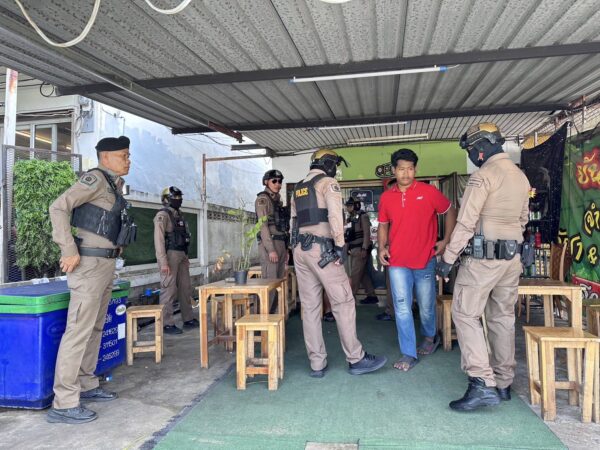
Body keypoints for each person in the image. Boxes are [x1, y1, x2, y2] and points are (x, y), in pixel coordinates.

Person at [436, 123, 530, 411]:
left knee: (465, 313)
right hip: (511, 260)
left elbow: (466, 222)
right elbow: (523, 220)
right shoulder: (520, 176)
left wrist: (448, 258)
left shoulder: (483, 176)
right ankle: (503, 383)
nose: (471, 156)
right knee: (501, 317)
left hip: (483, 260)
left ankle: (481, 382)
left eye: (470, 151)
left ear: (480, 148)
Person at [47, 136, 136, 424]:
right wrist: (68, 249)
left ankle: (86, 384)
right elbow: (58, 207)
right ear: (106, 157)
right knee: (78, 331)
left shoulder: (113, 185)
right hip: (87, 264)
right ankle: (64, 402)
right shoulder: (95, 179)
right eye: (123, 155)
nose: (128, 160)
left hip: (105, 265)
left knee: (95, 327)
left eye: (128, 155)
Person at [290, 149, 387, 377]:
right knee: (343, 302)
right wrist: (340, 246)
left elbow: (293, 223)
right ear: (329, 164)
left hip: (300, 251)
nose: (336, 170)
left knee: (310, 308)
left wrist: (294, 250)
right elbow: (335, 216)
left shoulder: (297, 188)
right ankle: (356, 358)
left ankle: (317, 364)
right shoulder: (328, 183)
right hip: (323, 251)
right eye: (336, 165)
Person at [378, 149, 457, 372]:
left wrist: (446, 241)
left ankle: (430, 337)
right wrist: (381, 247)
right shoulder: (386, 197)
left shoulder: (428, 192)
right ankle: (408, 352)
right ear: (394, 170)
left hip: (425, 259)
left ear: (415, 169)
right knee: (402, 307)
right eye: (401, 169)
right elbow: (383, 225)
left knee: (425, 306)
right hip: (397, 261)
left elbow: (450, 211)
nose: (406, 173)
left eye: (410, 169)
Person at [154, 186, 197, 335]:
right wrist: (163, 262)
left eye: (180, 197)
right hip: (170, 255)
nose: (179, 200)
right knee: (169, 290)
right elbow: (159, 240)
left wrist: (186, 256)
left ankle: (188, 318)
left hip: (182, 254)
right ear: (166, 199)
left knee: (185, 287)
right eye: (175, 197)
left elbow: (184, 236)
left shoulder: (180, 215)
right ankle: (166, 324)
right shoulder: (162, 215)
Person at [255, 170, 289, 312]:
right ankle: (263, 318)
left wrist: (286, 249)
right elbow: (263, 226)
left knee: (278, 283)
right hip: (271, 245)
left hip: (280, 244)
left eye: (280, 181)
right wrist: (271, 250)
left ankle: (272, 317)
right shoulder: (263, 200)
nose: (277, 184)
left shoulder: (277, 201)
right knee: (269, 284)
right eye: (274, 181)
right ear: (266, 182)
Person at [344, 197, 379, 306]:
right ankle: (372, 296)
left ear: (356, 205)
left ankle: (350, 299)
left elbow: (367, 234)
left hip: (360, 250)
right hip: (354, 249)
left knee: (355, 275)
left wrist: (364, 248)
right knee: (363, 274)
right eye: (347, 206)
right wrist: (346, 249)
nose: (348, 208)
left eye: (350, 205)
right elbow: (348, 235)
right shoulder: (350, 218)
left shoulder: (363, 216)